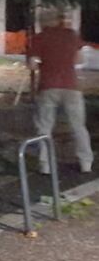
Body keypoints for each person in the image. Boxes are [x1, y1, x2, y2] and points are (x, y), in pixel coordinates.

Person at [28, 9, 93, 174]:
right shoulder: (71, 35)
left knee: (44, 127)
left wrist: (42, 63)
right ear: (58, 20)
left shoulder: (39, 38)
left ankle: (46, 165)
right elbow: (79, 59)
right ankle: (86, 163)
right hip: (71, 85)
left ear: (43, 22)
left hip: (48, 86)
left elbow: (32, 65)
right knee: (78, 126)